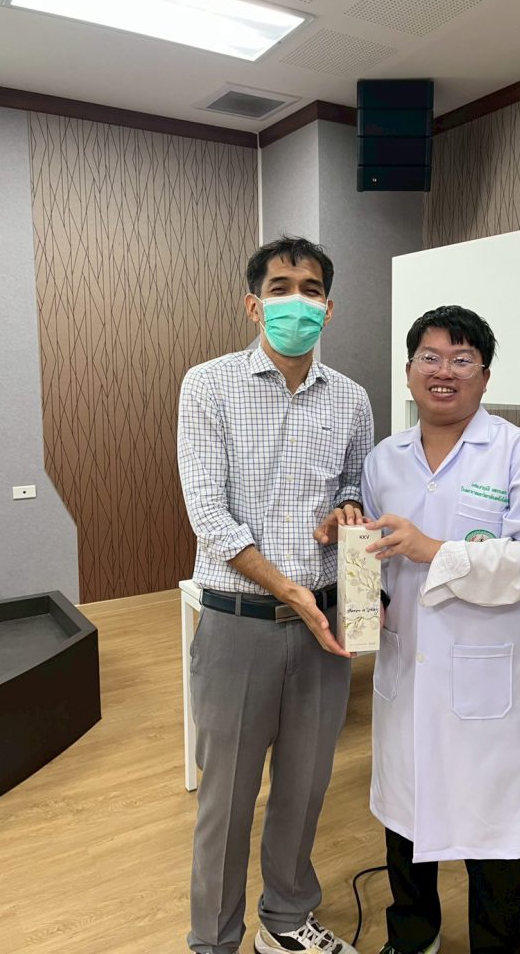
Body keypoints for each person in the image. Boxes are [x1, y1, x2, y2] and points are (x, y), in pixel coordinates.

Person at [177, 236, 373, 954]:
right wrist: (289, 590)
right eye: (281, 288)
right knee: (226, 801)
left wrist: (346, 511)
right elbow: (208, 515)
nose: (297, 302)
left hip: (323, 625)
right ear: (253, 304)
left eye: (311, 289)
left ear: (329, 307)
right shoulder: (209, 385)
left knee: (305, 788)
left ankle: (286, 922)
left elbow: (355, 486)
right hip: (241, 623)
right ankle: (214, 941)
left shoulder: (351, 398)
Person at [360, 305, 520, 954]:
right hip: (406, 663)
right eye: (430, 357)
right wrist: (367, 602)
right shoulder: (384, 460)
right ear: (409, 371)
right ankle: (412, 934)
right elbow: (373, 557)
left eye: (461, 360)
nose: (443, 372)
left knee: (494, 829)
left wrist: (435, 551)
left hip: (485, 674)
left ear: (484, 376)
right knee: (405, 814)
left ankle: (499, 944)